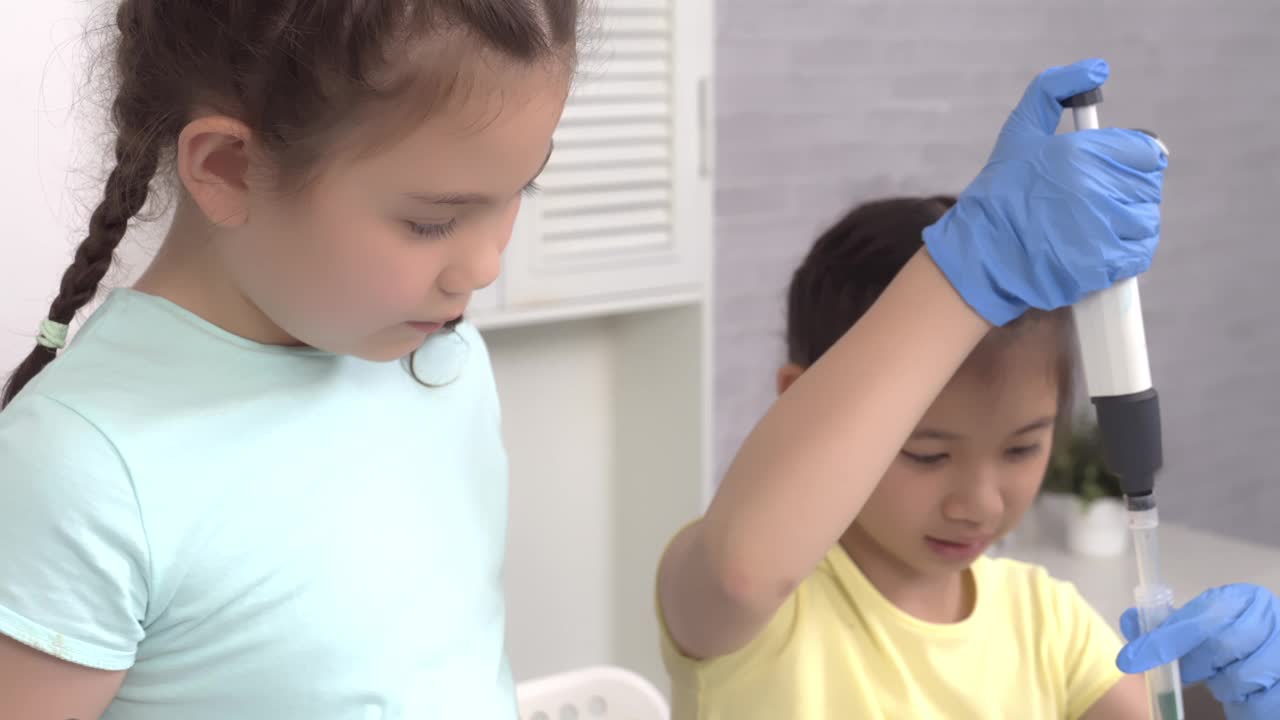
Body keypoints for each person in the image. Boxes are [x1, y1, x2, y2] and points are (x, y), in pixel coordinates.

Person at [0, 2, 577, 719]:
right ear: (228, 168)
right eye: (432, 220)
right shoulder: (82, 467)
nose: (486, 266)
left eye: (520, 189)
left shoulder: (445, 361)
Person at [656, 60, 1279, 719]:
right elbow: (744, 572)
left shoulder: (1048, 624)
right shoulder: (761, 615)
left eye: (1021, 448)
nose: (978, 503)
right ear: (799, 395)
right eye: (927, 453)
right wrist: (965, 274)